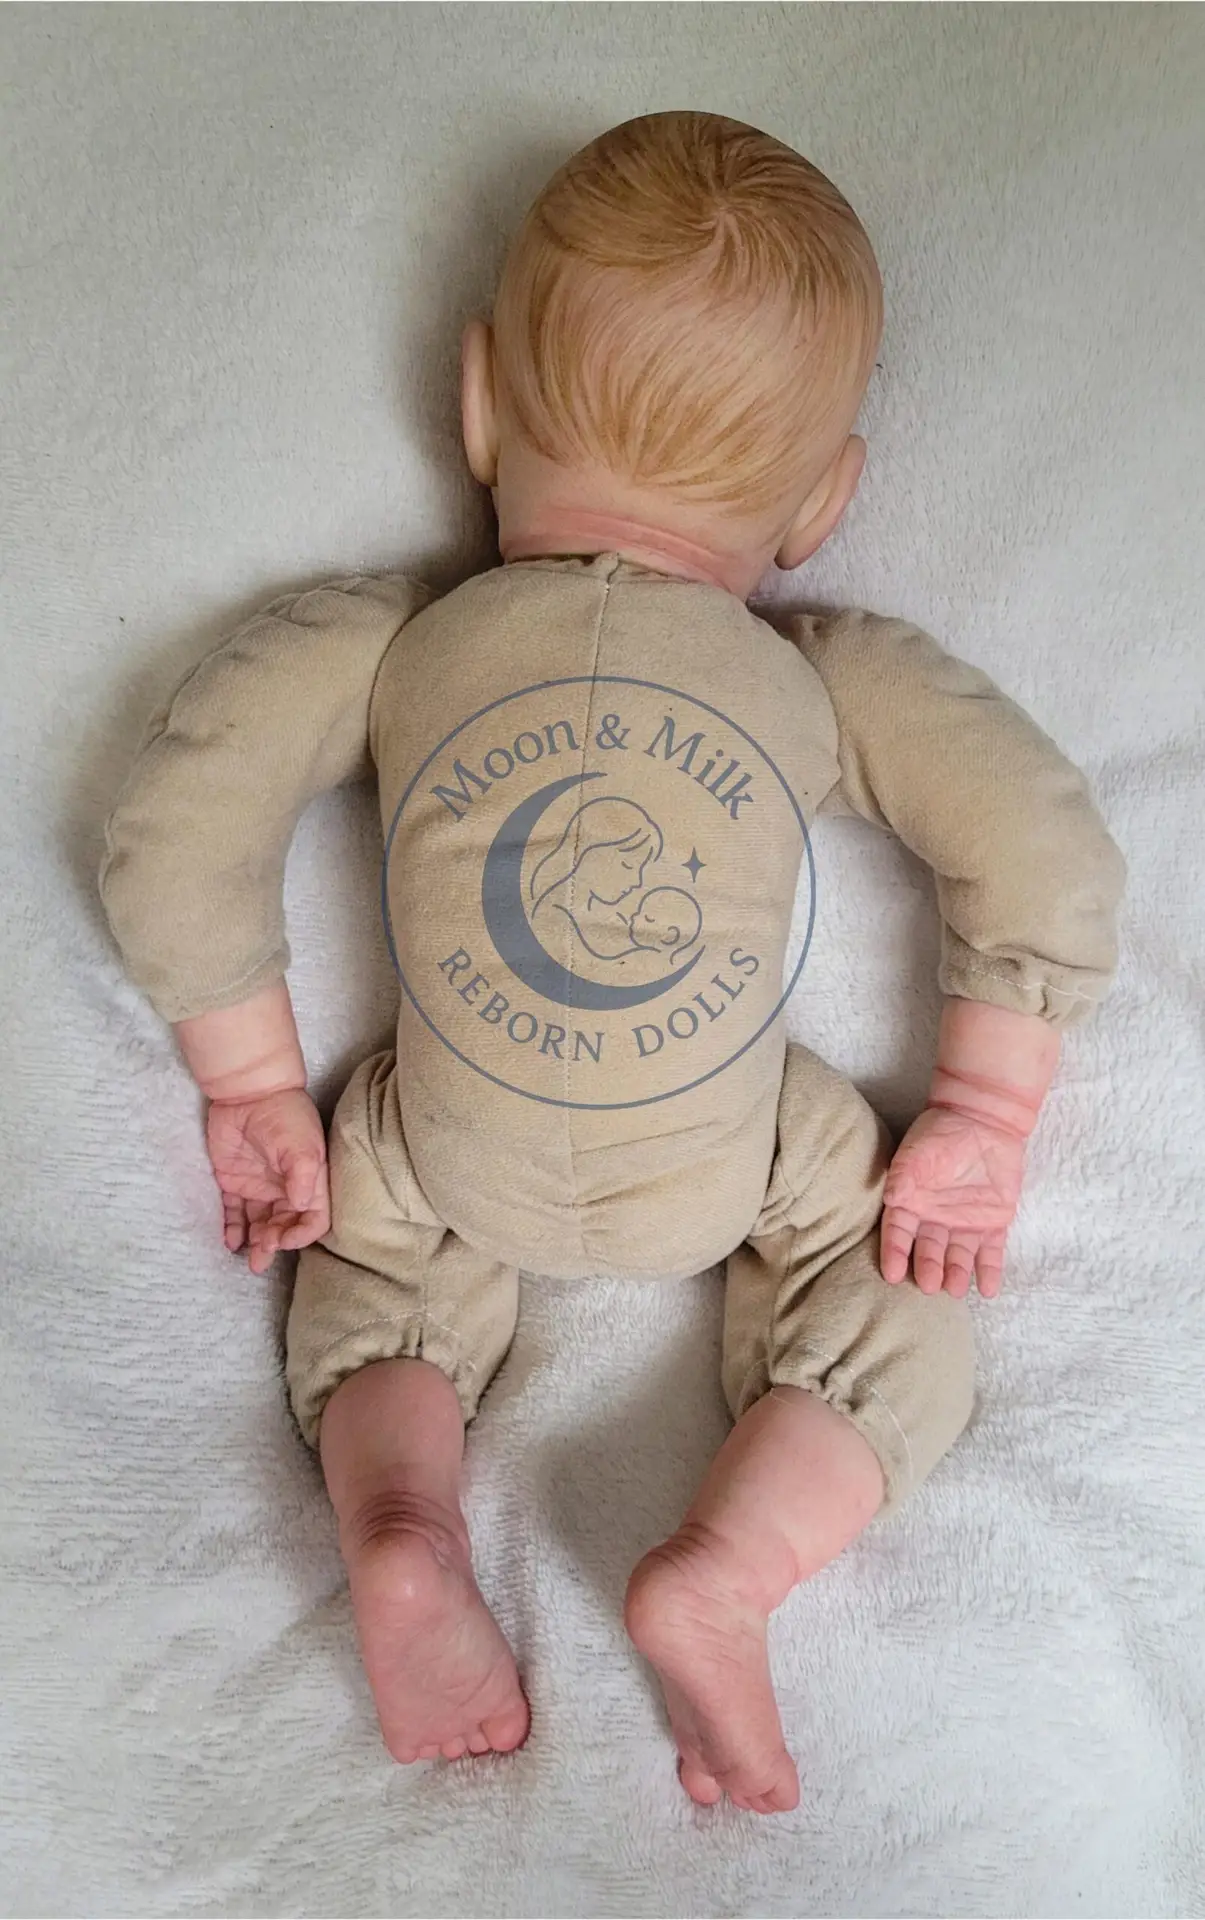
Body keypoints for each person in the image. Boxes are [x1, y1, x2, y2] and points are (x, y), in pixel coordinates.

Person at [99, 112, 1124, 1814]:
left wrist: (255, 1081)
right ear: (824, 502)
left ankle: (400, 1522)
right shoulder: (816, 677)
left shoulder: (396, 645)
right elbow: (1040, 842)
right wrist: (984, 1110)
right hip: (735, 1148)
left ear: (478, 404)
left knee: (370, 1285)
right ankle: (728, 1568)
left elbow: (180, 815)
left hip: (442, 1137)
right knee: (895, 1292)